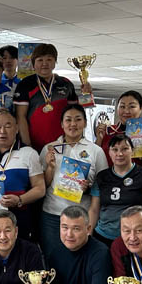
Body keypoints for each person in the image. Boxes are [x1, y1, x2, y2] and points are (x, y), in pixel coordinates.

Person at [40, 104, 107, 261]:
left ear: (85, 123)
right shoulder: (49, 148)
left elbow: (103, 185)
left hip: (82, 215)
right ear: (62, 124)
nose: (73, 124)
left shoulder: (95, 151)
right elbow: (42, 185)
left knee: (79, 260)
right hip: (53, 214)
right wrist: (50, 168)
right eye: (68, 120)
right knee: (52, 259)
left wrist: (88, 188)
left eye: (78, 119)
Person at [0, 109, 45, 242]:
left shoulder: (29, 153)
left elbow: (40, 189)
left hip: (20, 220)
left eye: (8, 126)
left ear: (17, 128)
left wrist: (19, 200)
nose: (2, 131)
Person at [89, 133, 142, 248]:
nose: (119, 154)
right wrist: (88, 235)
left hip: (134, 238)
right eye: (115, 149)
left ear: (132, 151)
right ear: (109, 152)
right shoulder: (101, 177)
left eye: (125, 149)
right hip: (103, 236)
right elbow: (94, 209)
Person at [13, 43, 79, 151]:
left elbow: (76, 114)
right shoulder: (25, 85)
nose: (45, 64)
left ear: (55, 62)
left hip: (63, 145)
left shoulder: (66, 84)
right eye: (40, 60)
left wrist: (87, 95)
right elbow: (21, 117)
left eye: (49, 59)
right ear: (33, 63)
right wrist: (27, 147)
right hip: (35, 146)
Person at [95, 90, 142, 172]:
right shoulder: (108, 131)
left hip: (137, 179)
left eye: (132, 107)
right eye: (122, 106)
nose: (126, 111)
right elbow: (95, 160)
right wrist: (99, 139)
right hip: (108, 178)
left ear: (140, 108)